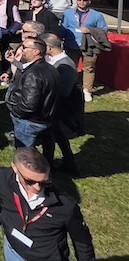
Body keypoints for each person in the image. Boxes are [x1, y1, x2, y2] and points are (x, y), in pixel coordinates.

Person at [0, 147, 95, 261]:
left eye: (44, 182)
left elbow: (82, 244)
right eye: (29, 181)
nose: (37, 188)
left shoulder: (65, 205)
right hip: (12, 250)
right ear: (14, 168)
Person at [39, 32, 82, 176]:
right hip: (53, 107)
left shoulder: (65, 65)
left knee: (50, 136)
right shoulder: (54, 60)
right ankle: (67, 163)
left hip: (58, 108)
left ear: (49, 47)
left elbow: (64, 91)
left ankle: (50, 164)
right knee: (56, 135)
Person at [5, 37, 59, 148]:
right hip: (46, 118)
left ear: (36, 51)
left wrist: (15, 113)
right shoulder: (50, 68)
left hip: (30, 122)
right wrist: (13, 61)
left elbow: (28, 105)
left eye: (24, 47)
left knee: (25, 153)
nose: (21, 50)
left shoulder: (32, 74)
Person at [60, 0, 109, 102]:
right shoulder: (68, 13)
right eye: (79, 0)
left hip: (89, 45)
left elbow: (104, 29)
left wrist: (90, 30)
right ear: (76, 1)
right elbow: (63, 27)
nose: (81, 2)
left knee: (89, 68)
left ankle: (87, 90)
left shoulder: (96, 15)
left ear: (89, 2)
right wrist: (59, 39)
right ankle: (70, 87)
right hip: (71, 44)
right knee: (70, 67)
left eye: (84, 0)